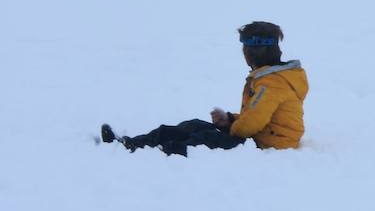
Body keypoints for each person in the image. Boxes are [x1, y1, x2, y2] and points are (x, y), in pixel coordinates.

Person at [101, 21, 309, 156]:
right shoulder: (271, 78)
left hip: (271, 146)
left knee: (204, 139)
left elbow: (251, 125)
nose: (243, 53)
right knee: (193, 126)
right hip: (263, 137)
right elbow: (257, 116)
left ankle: (150, 155)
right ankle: (134, 144)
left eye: (244, 48)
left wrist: (230, 128)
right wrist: (230, 120)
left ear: (253, 52)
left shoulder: (272, 83)